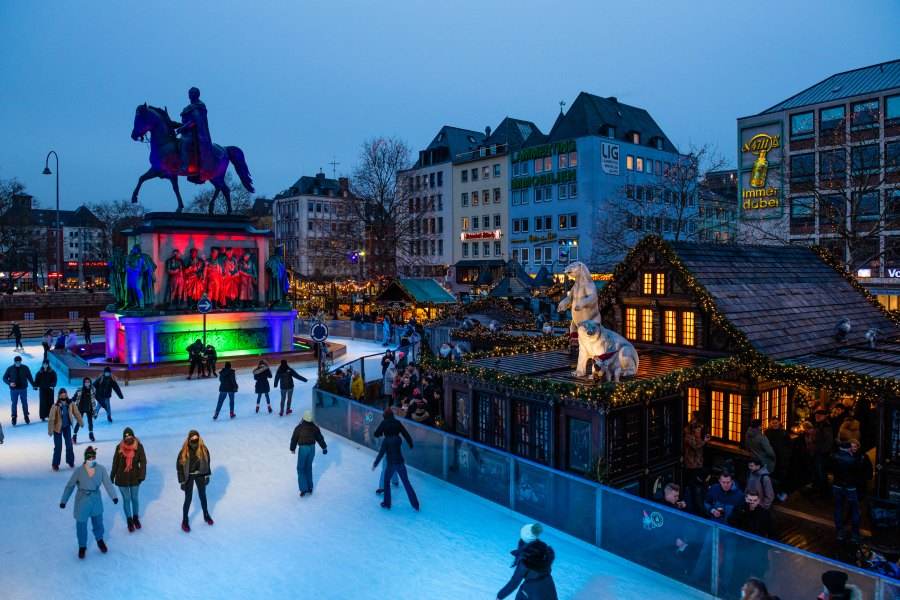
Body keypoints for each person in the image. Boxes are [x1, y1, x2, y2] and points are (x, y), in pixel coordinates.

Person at [60, 446, 118, 559]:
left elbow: (107, 483)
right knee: (81, 524)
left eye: (93, 457)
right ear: (85, 458)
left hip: (95, 499)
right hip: (82, 500)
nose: (91, 459)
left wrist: (113, 496)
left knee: (98, 522)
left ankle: (100, 539)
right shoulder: (79, 471)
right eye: (89, 457)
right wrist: (64, 500)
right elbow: (70, 486)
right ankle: (82, 546)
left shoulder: (101, 469)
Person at [372, 408, 419, 511]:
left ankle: (387, 503)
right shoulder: (398, 433)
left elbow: (380, 450)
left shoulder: (386, 439)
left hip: (391, 463)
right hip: (400, 462)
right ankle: (415, 504)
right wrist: (410, 443)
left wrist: (375, 464)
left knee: (386, 480)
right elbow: (405, 433)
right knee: (407, 483)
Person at [496, 523, 558, 600]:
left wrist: (499, 596)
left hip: (533, 590)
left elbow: (514, 583)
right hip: (549, 586)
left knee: (522, 594)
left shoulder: (525, 559)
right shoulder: (543, 550)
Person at [110, 427, 147, 533]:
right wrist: (112, 476)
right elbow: (115, 463)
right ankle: (129, 520)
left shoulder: (138, 447)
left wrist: (141, 476)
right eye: (126, 437)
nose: (128, 438)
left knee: (134, 498)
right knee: (126, 499)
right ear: (123, 437)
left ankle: (135, 517)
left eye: (130, 436)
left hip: (135, 477)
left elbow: (143, 462)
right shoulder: (119, 447)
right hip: (122, 478)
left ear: (133, 436)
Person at [177, 430, 213, 532]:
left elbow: (207, 462)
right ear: (189, 439)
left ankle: (206, 514)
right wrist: (182, 481)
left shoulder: (203, 449)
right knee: (188, 498)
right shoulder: (184, 451)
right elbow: (179, 467)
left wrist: (207, 475)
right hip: (189, 477)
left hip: (200, 474)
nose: (194, 440)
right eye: (192, 438)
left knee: (203, 495)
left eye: (196, 437)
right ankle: (185, 520)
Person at [831, 440, 864, 543]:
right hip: (850, 487)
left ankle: (840, 532)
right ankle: (855, 534)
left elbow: (829, 469)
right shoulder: (853, 459)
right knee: (855, 509)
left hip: (837, 486)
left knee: (838, 508)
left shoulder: (833, 457)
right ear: (849, 448)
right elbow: (858, 473)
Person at [290, 410, 328, 496]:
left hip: (303, 449)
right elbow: (320, 438)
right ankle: (310, 487)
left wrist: (292, 448)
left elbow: (294, 438)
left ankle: (304, 488)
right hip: (312, 449)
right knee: (308, 467)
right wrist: (324, 447)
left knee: (300, 468)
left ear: (303, 417)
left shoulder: (299, 428)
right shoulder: (315, 427)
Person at [48, 388, 82, 470]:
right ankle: (55, 464)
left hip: (66, 427)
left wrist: (80, 421)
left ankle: (70, 461)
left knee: (69, 445)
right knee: (58, 446)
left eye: (64, 393)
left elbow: (76, 413)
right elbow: (51, 418)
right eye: (62, 393)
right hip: (57, 428)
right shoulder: (55, 406)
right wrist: (50, 430)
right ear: (59, 395)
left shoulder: (70, 404)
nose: (63, 395)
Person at [683, 418, 709, 514]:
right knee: (693, 483)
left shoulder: (697, 435)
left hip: (698, 463)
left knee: (697, 483)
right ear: (694, 429)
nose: (699, 431)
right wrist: (704, 441)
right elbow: (695, 446)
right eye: (698, 429)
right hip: (692, 463)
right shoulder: (688, 436)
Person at [765, 416, 793, 501]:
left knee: (781, 475)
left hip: (782, 458)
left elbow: (789, 445)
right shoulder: (767, 432)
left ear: (779, 423)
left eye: (776, 423)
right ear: (770, 423)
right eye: (773, 423)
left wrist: (786, 455)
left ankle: (781, 492)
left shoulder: (783, 432)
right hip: (772, 457)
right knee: (773, 475)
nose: (774, 425)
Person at [4, 354, 34, 426]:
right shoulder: (10, 369)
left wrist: (34, 385)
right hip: (14, 390)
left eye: (19, 362)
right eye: (17, 362)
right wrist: (10, 383)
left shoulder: (25, 368)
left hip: (23, 389)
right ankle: (14, 417)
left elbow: (29, 377)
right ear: (14, 362)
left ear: (21, 361)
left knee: (24, 402)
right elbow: (4, 378)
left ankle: (26, 415)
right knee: (14, 403)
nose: (18, 363)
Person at [813, 409, 834, 494]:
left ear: (825, 416)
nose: (817, 417)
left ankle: (823, 491)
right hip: (818, 451)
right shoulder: (819, 424)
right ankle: (819, 488)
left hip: (821, 453)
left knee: (821, 471)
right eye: (816, 416)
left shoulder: (825, 426)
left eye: (819, 416)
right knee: (818, 470)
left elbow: (828, 441)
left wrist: (822, 451)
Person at [72, 377, 95, 444]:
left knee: (90, 422)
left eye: (88, 382)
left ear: (90, 383)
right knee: (79, 422)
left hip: (89, 408)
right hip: (81, 408)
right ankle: (74, 436)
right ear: (84, 383)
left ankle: (91, 434)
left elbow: (98, 397)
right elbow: (74, 398)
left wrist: (103, 404)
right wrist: (68, 401)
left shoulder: (92, 390)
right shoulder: (80, 390)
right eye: (86, 382)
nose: (87, 383)